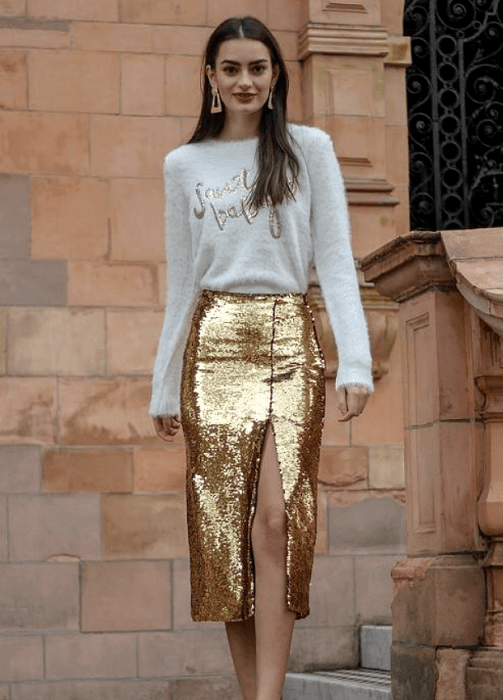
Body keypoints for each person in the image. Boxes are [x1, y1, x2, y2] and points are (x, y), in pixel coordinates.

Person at [150, 15, 373, 700]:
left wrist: (355, 361)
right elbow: (182, 280)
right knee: (223, 534)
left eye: (258, 68)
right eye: (231, 68)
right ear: (211, 78)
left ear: (276, 76)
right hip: (213, 346)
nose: (245, 80)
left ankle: (269, 694)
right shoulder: (184, 165)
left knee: (277, 518)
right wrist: (162, 385)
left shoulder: (310, 149)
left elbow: (335, 262)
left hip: (289, 338)